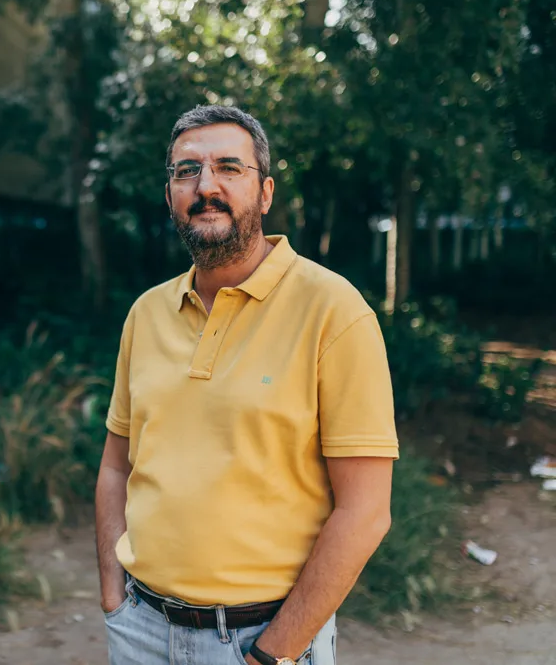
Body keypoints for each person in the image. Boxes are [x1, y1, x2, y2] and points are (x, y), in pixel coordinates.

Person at [94, 105, 399, 665]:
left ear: (265, 193)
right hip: (140, 630)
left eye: (229, 168)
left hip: (261, 640)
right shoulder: (146, 313)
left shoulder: (334, 311)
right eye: (187, 171)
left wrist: (272, 653)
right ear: (170, 195)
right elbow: (117, 466)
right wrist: (115, 599)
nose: (205, 186)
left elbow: (365, 511)